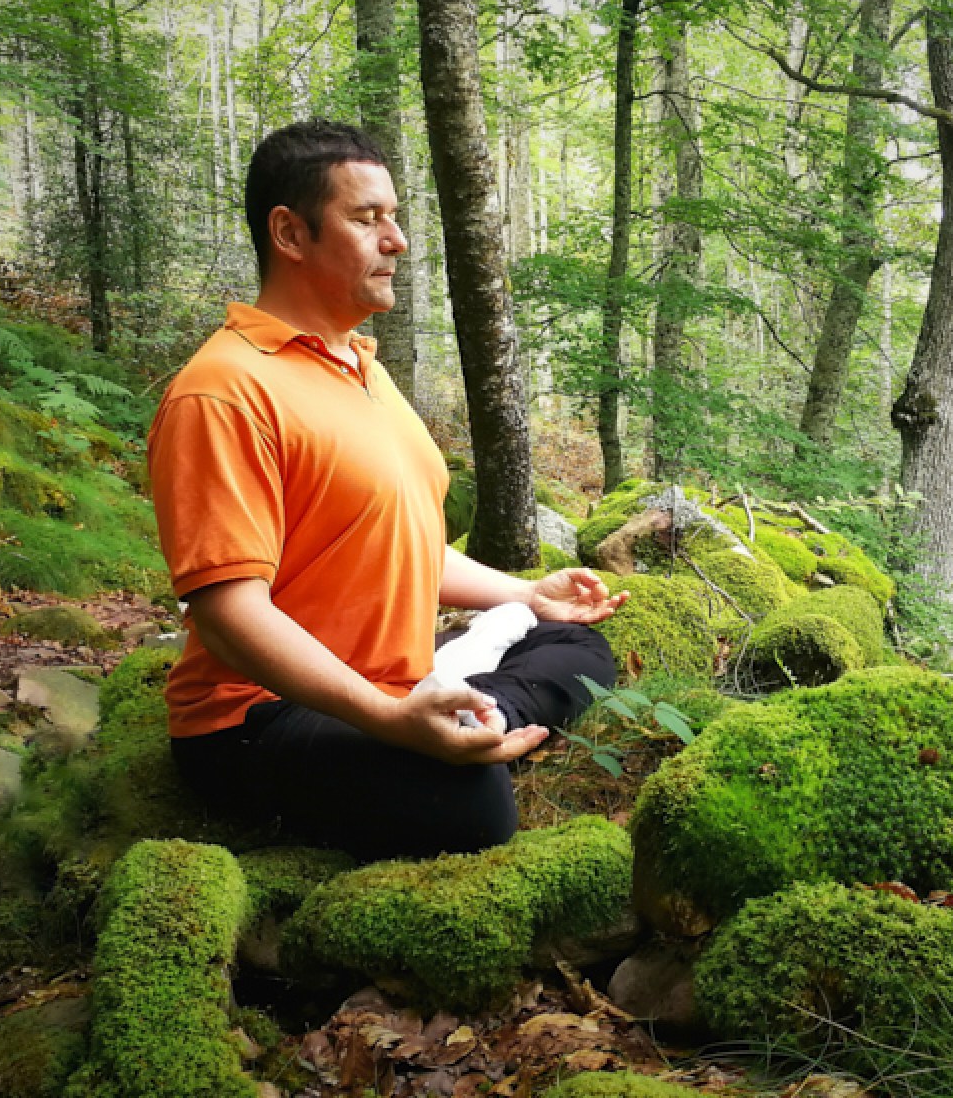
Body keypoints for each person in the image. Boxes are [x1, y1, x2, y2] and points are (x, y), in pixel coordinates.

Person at [147, 119, 627, 862]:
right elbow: (229, 614)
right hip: (258, 718)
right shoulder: (224, 391)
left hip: (391, 677)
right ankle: (457, 729)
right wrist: (385, 717)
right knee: (472, 807)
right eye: (368, 218)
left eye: (394, 216)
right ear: (290, 232)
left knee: (576, 644)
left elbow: (406, 545)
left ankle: (471, 718)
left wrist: (529, 595)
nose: (397, 239)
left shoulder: (363, 368)